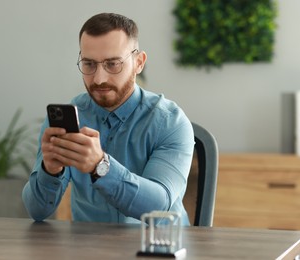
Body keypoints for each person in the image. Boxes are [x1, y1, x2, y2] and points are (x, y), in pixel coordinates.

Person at [22, 12, 195, 225]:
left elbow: (158, 206)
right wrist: (50, 170)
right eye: (89, 64)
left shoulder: (170, 122)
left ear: (138, 63)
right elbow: (37, 211)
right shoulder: (69, 120)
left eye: (113, 64)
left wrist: (100, 166)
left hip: (157, 249)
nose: (99, 79)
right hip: (89, 250)